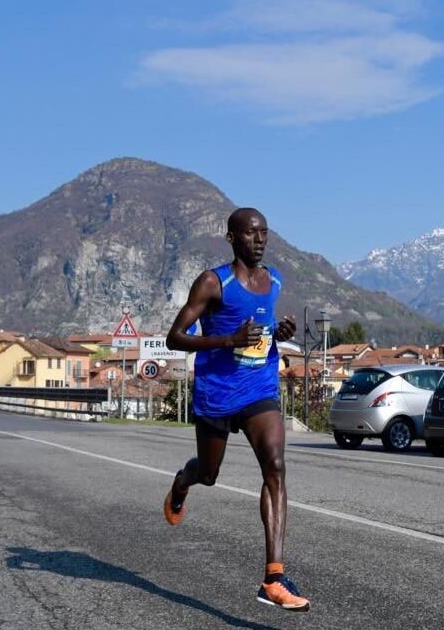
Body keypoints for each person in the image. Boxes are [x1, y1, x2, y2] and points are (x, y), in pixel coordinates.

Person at [163, 207, 308, 612]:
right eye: (250, 234)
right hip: (216, 394)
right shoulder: (213, 282)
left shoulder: (273, 280)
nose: (260, 240)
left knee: (275, 466)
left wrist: (278, 335)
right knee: (207, 474)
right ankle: (181, 483)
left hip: (259, 389)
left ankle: (274, 577)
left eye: (264, 233)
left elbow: (261, 331)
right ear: (232, 237)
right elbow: (175, 337)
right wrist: (228, 339)